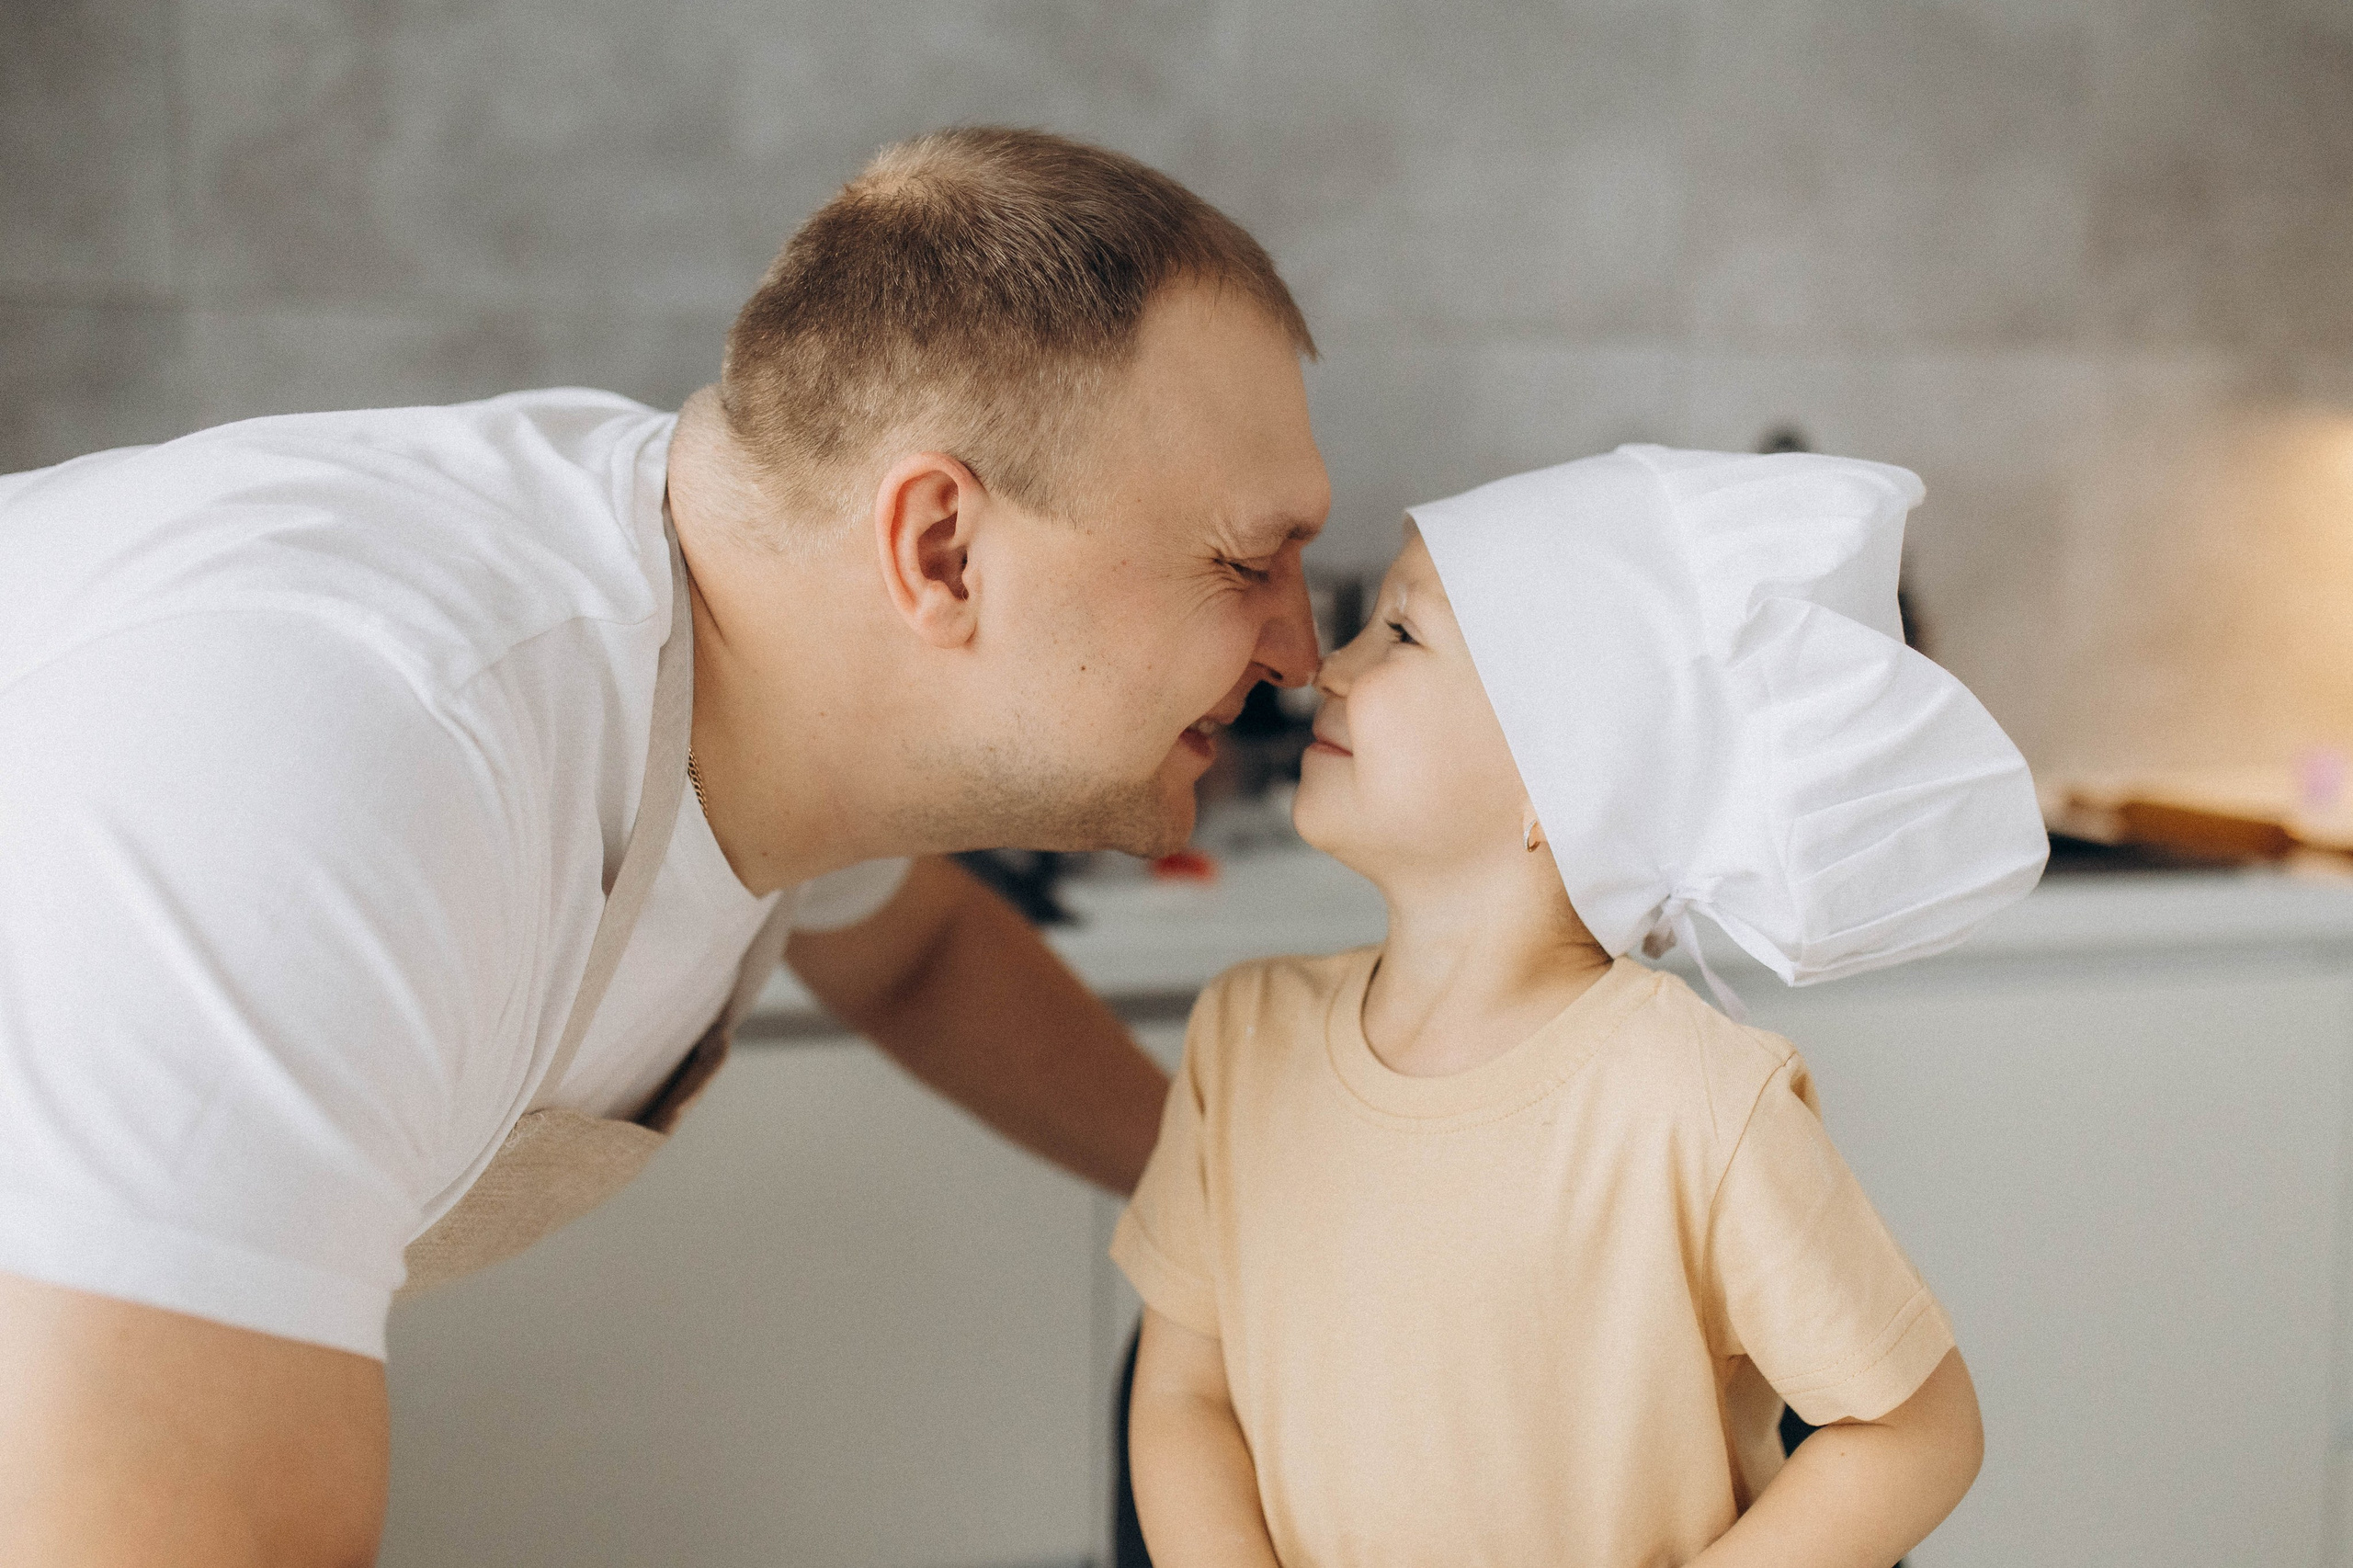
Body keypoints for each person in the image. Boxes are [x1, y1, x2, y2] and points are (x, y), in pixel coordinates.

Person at [0, 128, 1328, 1562]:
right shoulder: (351, 759)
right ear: (942, 551)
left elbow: (921, 955)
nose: (1304, 653)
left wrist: (1251, 1231)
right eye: (1244, 563)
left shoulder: (774, 626)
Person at [1115, 447, 2050, 1565]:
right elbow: (1184, 1394)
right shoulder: (1241, 1038)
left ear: (1559, 781)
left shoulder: (1693, 1099)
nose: (1329, 664)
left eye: (1401, 632)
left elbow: (1916, 1430)